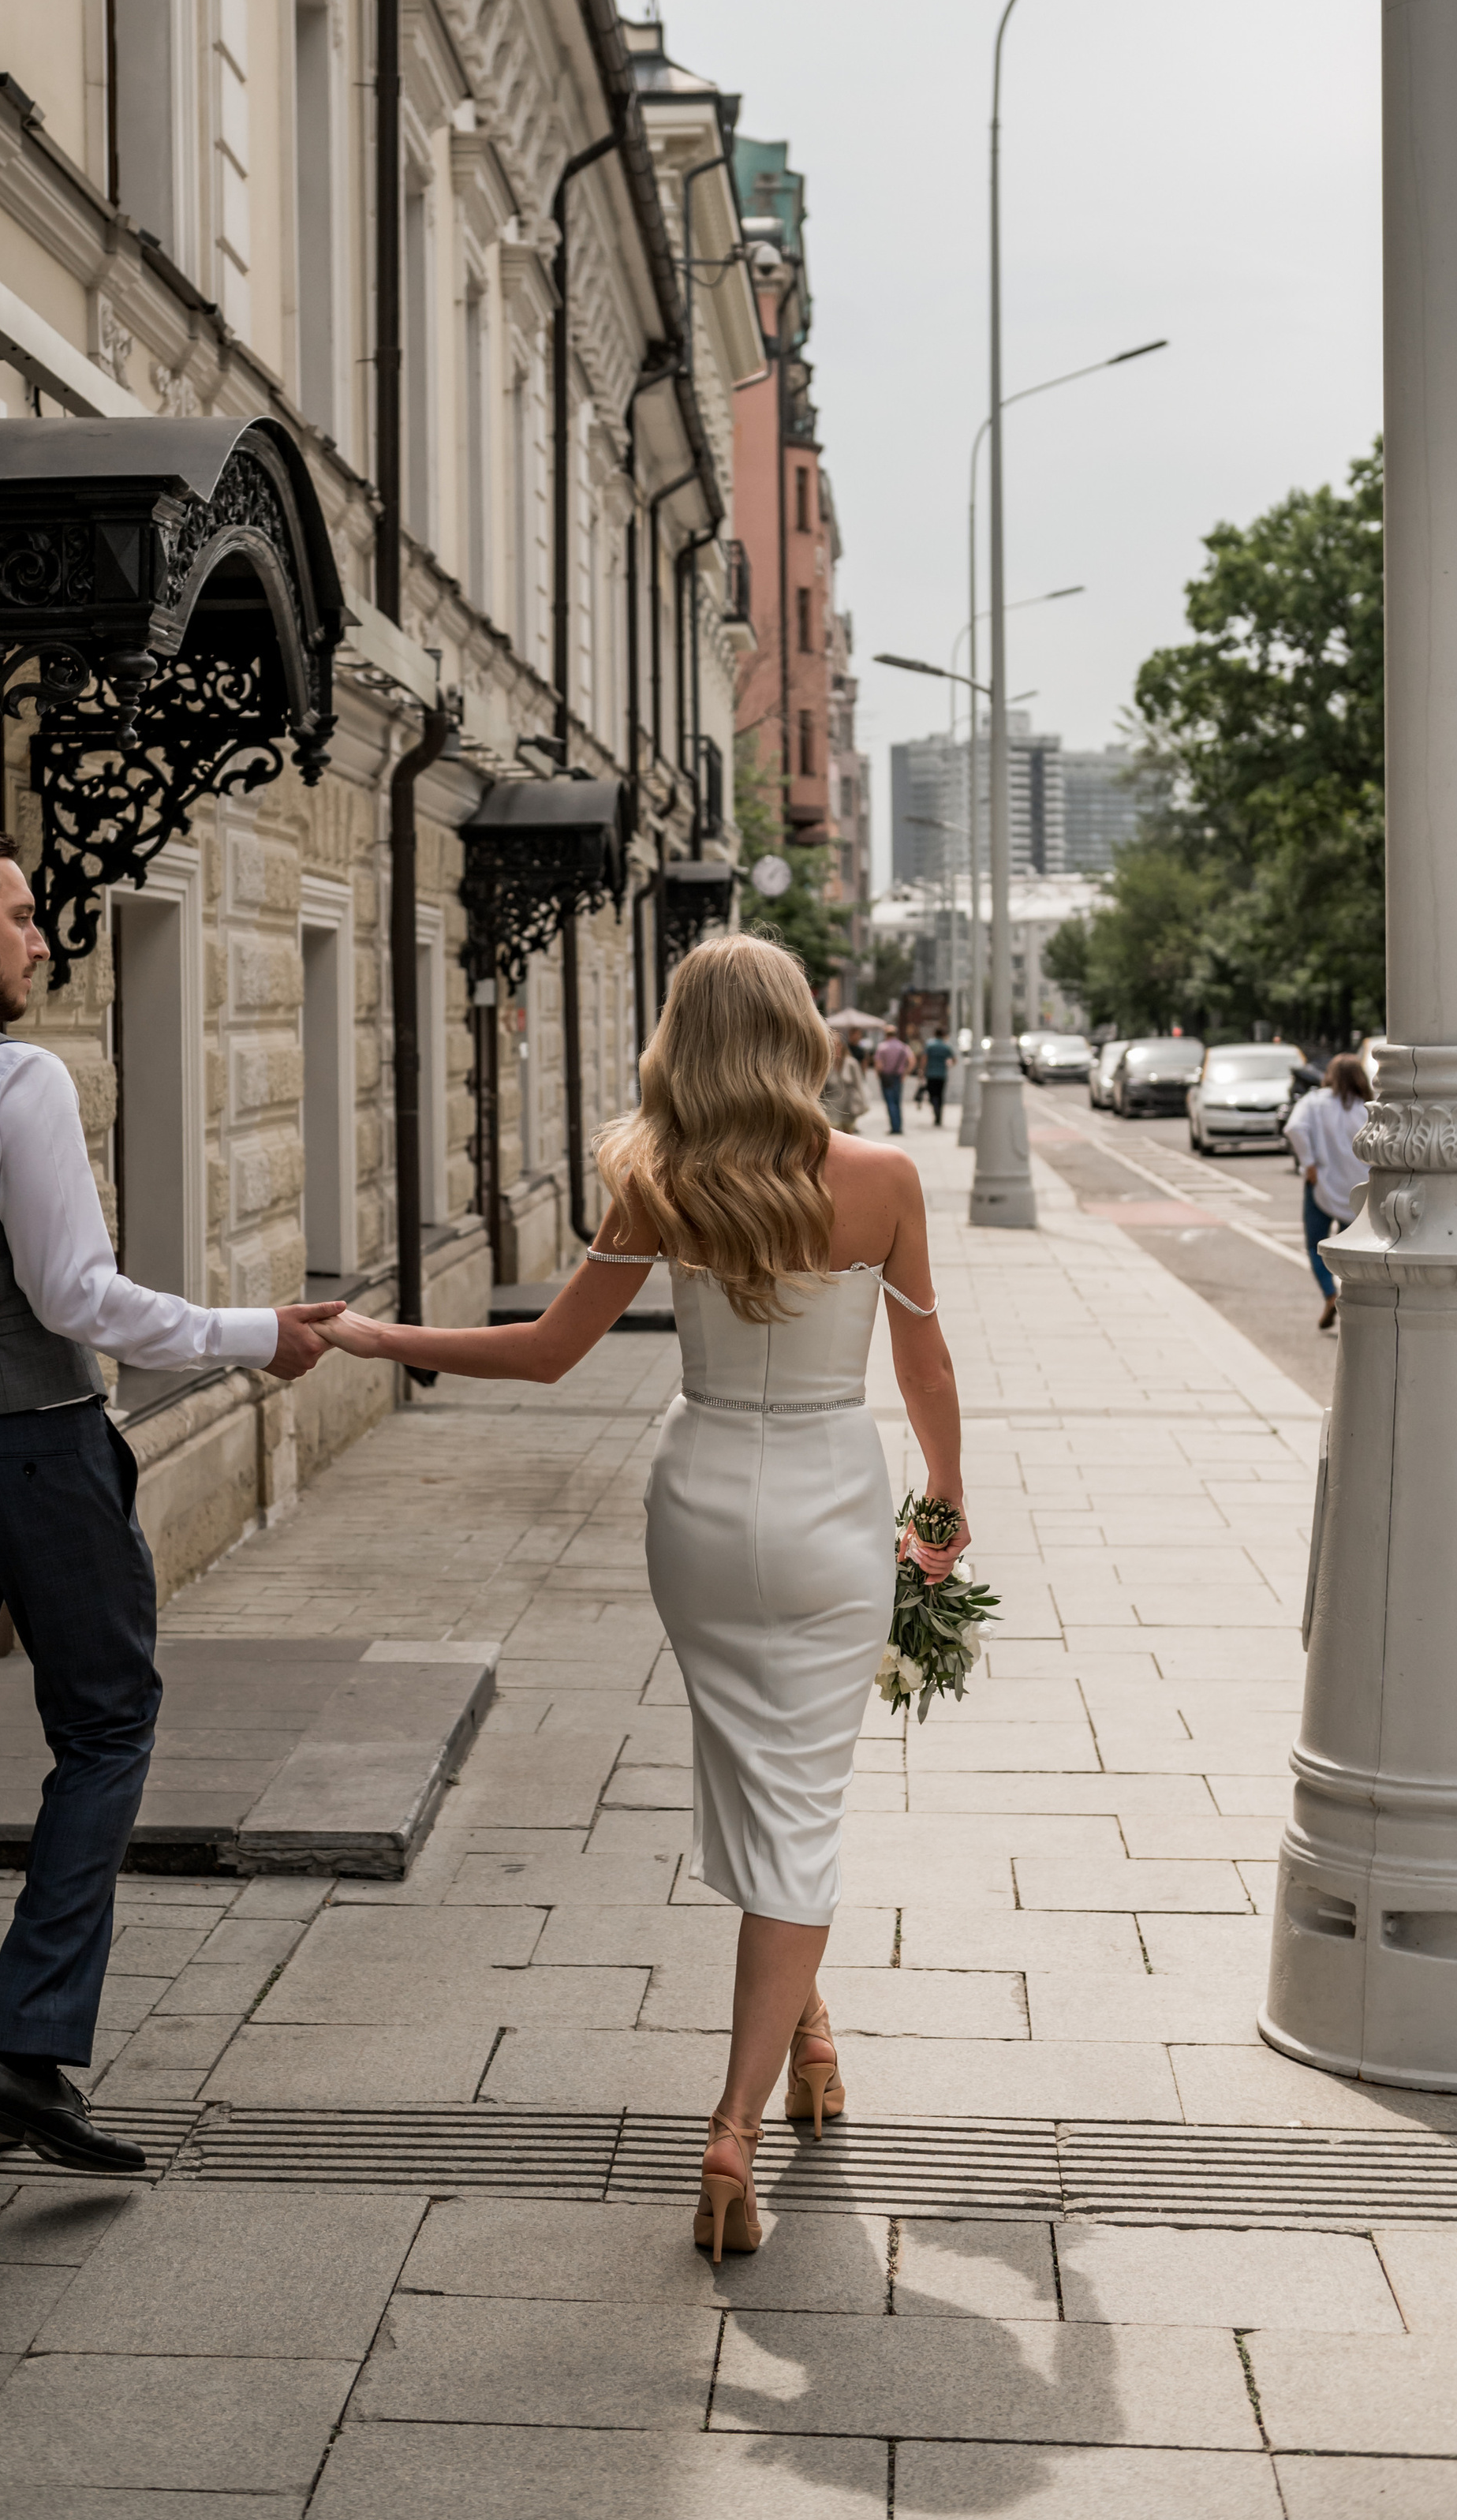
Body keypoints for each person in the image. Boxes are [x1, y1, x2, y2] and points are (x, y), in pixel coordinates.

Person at [319, 937, 967, 2257]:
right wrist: (942, 1509)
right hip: (831, 1505)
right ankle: (732, 2127)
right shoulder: (883, 1178)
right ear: (797, 1034)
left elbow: (547, 1351)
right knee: (798, 1801)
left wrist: (377, 1334)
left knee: (751, 1772)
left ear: (685, 1039)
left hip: (701, 1504)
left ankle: (810, 2032)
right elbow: (925, 1365)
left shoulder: (655, 1179)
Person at [0, 825, 343, 2184]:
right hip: (33, 1445)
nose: (42, 938)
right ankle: (26, 2046)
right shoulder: (12, 1075)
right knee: (107, 1718)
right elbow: (77, 1296)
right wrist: (256, 1333)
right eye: (23, 914)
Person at [1285, 1050, 1372, 1333]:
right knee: (1353, 1249)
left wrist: (1308, 1163)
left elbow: (1295, 1128)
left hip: (1321, 1183)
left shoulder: (1314, 1102)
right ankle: (1351, 1299)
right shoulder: (1368, 1108)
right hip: (1359, 1189)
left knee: (1316, 1245)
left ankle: (1329, 1293)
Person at [820, 1023, 868, 1133]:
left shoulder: (851, 1064)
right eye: (831, 1045)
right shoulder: (825, 1065)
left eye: (837, 1045)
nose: (835, 1048)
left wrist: (863, 1104)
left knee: (848, 1135)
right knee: (833, 1134)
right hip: (831, 1106)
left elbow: (859, 1085)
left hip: (848, 1105)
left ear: (842, 1046)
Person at [874, 1024, 915, 1135]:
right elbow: (912, 1061)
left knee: (890, 1102)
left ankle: (894, 1127)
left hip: (887, 1077)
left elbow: (878, 1064)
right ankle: (898, 1126)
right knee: (897, 1102)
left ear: (886, 1035)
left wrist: (879, 1075)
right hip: (898, 1077)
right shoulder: (903, 1047)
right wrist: (905, 1074)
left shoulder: (882, 1047)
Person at [920, 1028, 954, 1127]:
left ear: (935, 1034)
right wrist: (948, 1065)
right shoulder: (946, 1046)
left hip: (931, 1074)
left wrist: (922, 1071)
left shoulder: (930, 1045)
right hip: (942, 1075)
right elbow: (954, 1060)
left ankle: (935, 1110)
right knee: (940, 1095)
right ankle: (939, 1115)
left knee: (932, 1095)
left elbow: (924, 1059)